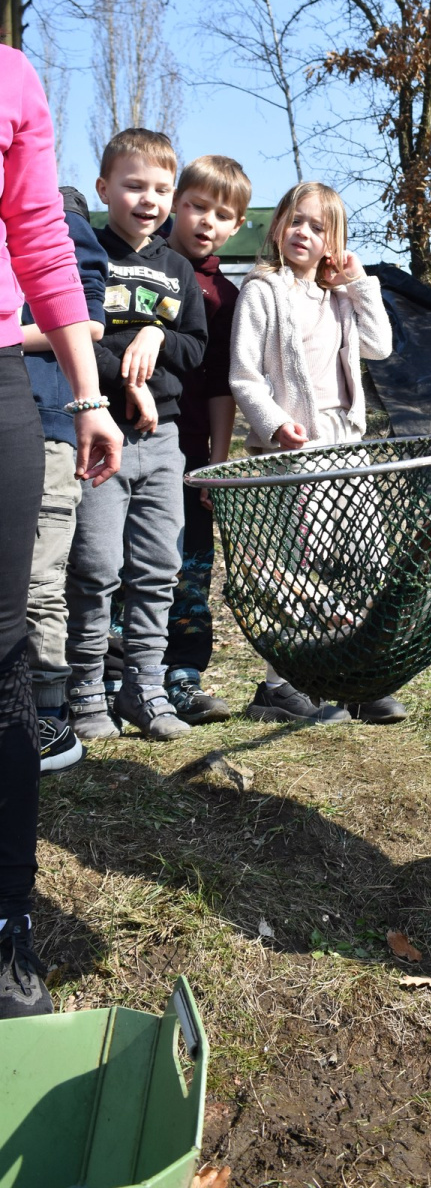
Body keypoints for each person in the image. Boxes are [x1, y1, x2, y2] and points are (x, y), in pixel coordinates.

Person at [0, 44, 122, 1019]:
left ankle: (7, 927)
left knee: (2, 653)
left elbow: (39, 231)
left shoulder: (12, 79)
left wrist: (87, 394)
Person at [229, 180, 403, 725]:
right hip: (296, 445)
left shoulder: (339, 295)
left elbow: (380, 346)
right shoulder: (263, 290)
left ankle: (355, 677)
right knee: (301, 569)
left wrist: (358, 282)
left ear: (334, 241)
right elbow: (244, 376)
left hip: (345, 442)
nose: (303, 232)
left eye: (317, 226)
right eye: (295, 220)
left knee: (364, 560)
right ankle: (279, 686)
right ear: (279, 225)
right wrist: (275, 424)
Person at [65, 129, 207, 743]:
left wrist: (157, 334)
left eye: (161, 189)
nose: (149, 200)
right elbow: (74, 335)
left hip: (164, 442)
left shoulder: (179, 269)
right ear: (104, 189)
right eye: (134, 186)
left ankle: (144, 687)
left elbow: (195, 348)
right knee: (96, 566)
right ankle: (85, 688)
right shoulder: (87, 252)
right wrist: (129, 378)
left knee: (159, 567)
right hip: (102, 436)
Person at [161, 154, 252, 723]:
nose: (206, 222)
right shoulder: (137, 265)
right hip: (125, 440)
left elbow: (223, 385)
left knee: (191, 565)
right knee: (119, 562)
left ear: (237, 226)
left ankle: (183, 676)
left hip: (191, 449)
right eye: (196, 206)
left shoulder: (224, 296)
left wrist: (216, 464)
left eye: (221, 215)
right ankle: (118, 675)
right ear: (176, 202)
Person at [22, 186, 108, 772]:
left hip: (50, 427)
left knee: (40, 576)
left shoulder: (60, 218)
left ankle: (48, 714)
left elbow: (83, 319)